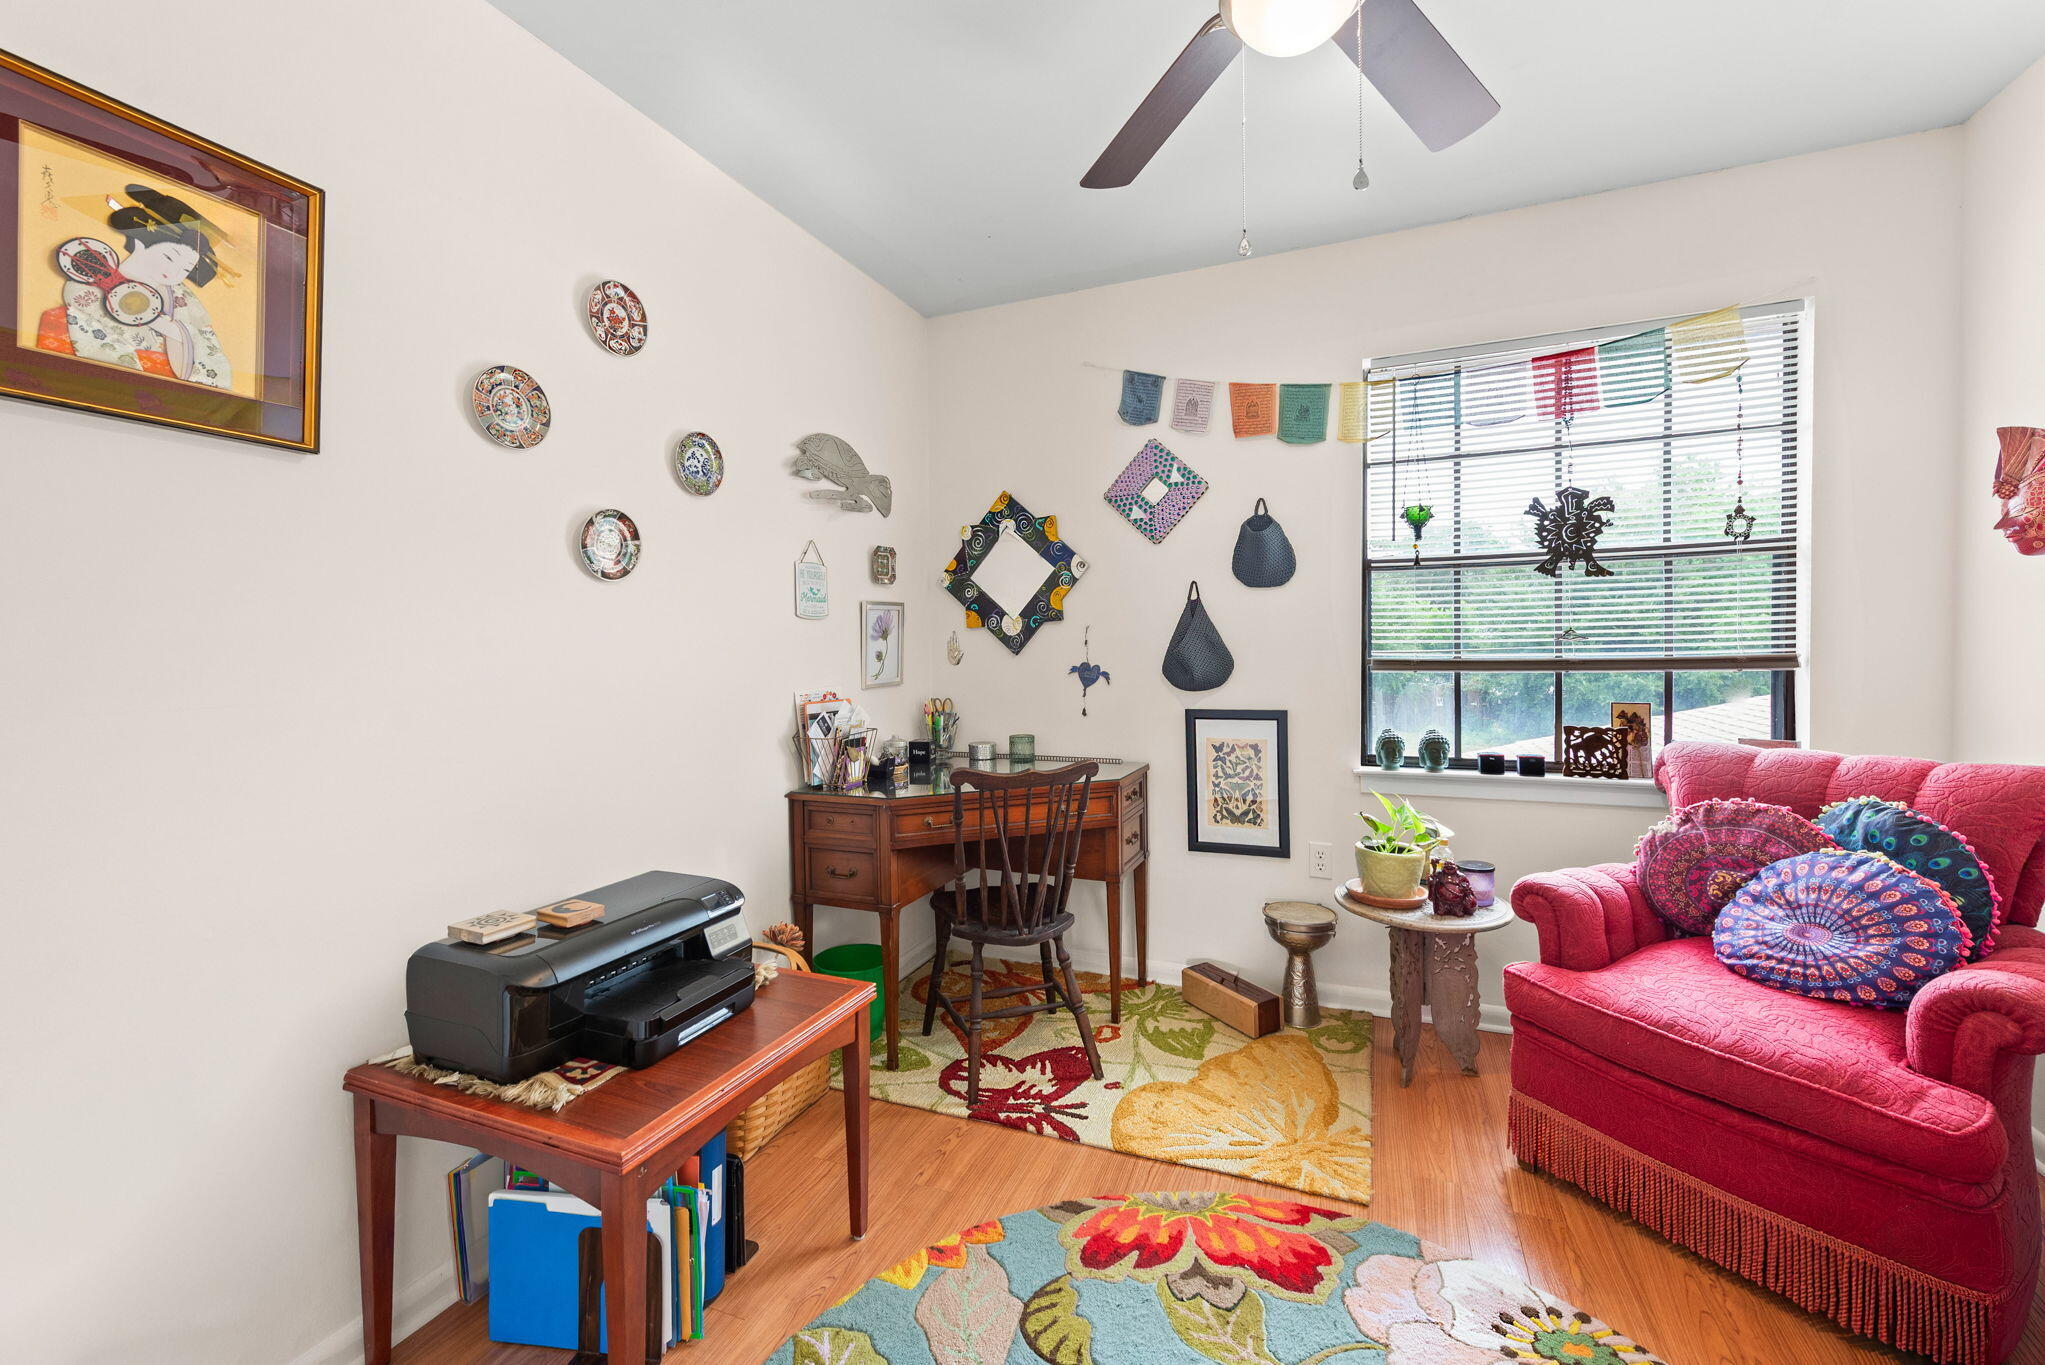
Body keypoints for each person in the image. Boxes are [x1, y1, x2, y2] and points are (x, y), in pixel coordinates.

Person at [36, 183, 233, 390]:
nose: (174, 273)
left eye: (185, 269)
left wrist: (176, 331)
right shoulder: (88, 283)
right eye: (169, 257)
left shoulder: (182, 298)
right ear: (140, 242)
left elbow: (210, 352)